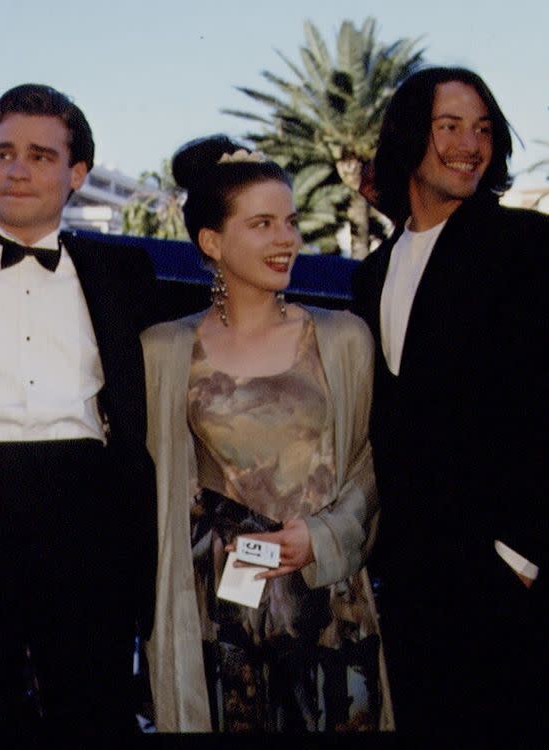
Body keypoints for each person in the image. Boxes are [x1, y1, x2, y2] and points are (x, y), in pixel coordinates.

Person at [0, 84, 157, 741]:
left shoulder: (123, 271)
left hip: (85, 504)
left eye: (40, 156)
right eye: (3, 154)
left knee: (92, 703)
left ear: (76, 174)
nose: (18, 169)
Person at [141, 134, 393, 734]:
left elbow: (370, 464)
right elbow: (149, 485)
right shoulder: (163, 351)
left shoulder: (344, 338)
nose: (287, 240)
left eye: (290, 221)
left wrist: (325, 536)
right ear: (212, 242)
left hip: (330, 601)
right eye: (262, 224)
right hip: (219, 614)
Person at [350, 67, 548, 735]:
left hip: (505, 580)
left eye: (484, 129)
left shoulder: (526, 247)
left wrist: (523, 554)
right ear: (410, 134)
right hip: (409, 585)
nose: (470, 144)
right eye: (450, 126)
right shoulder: (371, 274)